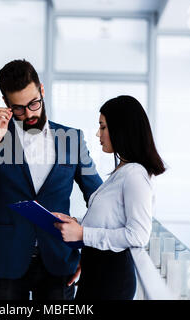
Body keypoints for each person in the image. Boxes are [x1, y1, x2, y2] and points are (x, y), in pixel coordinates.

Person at [0, 59, 102, 300]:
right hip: (6, 260)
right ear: (6, 104)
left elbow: (99, 198)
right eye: (18, 108)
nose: (29, 114)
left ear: (42, 90)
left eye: (34, 103)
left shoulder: (72, 139)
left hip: (59, 260)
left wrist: (87, 250)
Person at [53, 95, 166, 300]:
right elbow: (111, 219)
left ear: (121, 129)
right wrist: (77, 223)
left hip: (111, 280)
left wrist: (82, 234)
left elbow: (138, 235)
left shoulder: (135, 175)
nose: (98, 134)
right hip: (96, 273)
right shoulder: (123, 171)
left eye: (103, 127)